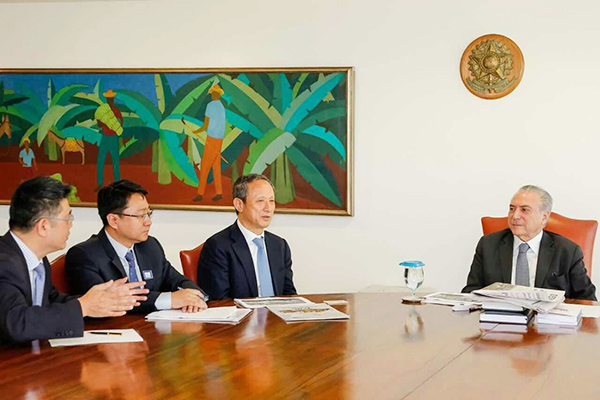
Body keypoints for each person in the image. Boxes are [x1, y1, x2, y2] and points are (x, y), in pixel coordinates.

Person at [0, 176, 148, 343]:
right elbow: (17, 322)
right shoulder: (4, 262)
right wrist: (83, 306)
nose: (70, 225)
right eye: (67, 218)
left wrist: (100, 300)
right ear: (43, 226)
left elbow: (50, 301)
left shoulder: (37, 259)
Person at [65, 180, 208, 313]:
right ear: (113, 220)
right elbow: (107, 302)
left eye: (149, 213)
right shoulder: (85, 255)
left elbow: (176, 280)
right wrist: (169, 300)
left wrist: (193, 296)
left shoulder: (149, 246)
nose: (148, 222)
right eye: (140, 216)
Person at [462, 185, 596, 300]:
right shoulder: (488, 245)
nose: (515, 216)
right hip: (499, 319)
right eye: (512, 208)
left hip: (547, 321)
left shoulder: (567, 251)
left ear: (544, 217)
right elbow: (471, 292)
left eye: (524, 210)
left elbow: (587, 300)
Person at [198, 174, 297, 300]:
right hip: (241, 313)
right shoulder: (218, 246)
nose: (268, 208)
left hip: (277, 313)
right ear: (239, 204)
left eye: (271, 201)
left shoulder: (279, 245)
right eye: (260, 201)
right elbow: (219, 301)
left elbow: (289, 294)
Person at [184, 84, 226, 202]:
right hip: (219, 139)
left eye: (214, 93)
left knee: (205, 166)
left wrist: (195, 131)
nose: (212, 95)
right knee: (216, 166)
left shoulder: (210, 105)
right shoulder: (221, 106)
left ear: (216, 94)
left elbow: (205, 125)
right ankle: (219, 192)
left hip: (212, 139)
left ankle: (200, 193)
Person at [95, 90, 124, 192]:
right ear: (107, 99)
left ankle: (117, 184)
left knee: (115, 161)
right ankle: (100, 184)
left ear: (113, 100)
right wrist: (106, 122)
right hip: (105, 137)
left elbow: (121, 121)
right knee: (100, 160)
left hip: (113, 138)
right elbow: (99, 124)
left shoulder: (116, 110)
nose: (110, 100)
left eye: (111, 99)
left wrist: (116, 126)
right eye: (108, 99)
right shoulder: (102, 111)